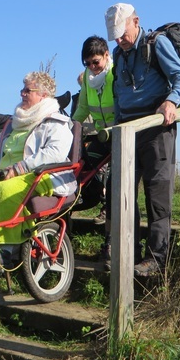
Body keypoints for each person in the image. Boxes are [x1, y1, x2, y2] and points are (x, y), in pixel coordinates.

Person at [104, 3, 180, 276]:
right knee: (122, 195)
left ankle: (157, 259)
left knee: (157, 195)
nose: (119, 40)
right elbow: (119, 94)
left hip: (155, 128)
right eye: (115, 36)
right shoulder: (119, 55)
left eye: (122, 33)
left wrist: (170, 101)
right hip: (127, 131)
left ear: (136, 21)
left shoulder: (157, 44)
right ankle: (129, 252)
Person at [0, 71, 77, 271]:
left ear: (43, 95)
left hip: (43, 175)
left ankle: (5, 252)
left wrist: (19, 168)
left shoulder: (55, 122)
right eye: (22, 89)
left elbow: (54, 153)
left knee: (7, 192)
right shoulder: (13, 122)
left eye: (27, 90)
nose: (22, 94)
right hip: (7, 174)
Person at [71, 35, 115, 264]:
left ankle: (110, 243)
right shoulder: (88, 79)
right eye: (87, 63)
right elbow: (84, 107)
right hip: (101, 135)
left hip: (121, 134)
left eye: (95, 62)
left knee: (116, 187)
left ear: (107, 55)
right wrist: (71, 127)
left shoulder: (117, 74)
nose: (92, 67)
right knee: (81, 171)